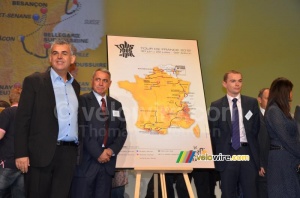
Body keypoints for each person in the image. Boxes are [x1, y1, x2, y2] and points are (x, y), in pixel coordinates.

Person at [14, 38, 81, 198]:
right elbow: (22, 120)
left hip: (68, 155)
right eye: (55, 53)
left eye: (64, 53)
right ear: (50, 58)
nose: (59, 57)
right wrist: (21, 153)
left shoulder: (75, 86)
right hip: (40, 155)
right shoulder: (34, 82)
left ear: (72, 59)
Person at [71, 68, 127, 198]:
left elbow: (122, 131)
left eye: (105, 80)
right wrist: (98, 153)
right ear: (92, 81)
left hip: (107, 165)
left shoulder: (116, 105)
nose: (101, 83)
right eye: (98, 79)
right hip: (86, 165)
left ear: (109, 84)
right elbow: (81, 129)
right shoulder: (82, 101)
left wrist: (111, 151)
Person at [208, 70, 260, 198]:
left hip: (247, 153)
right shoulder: (216, 105)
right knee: (228, 193)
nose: (237, 84)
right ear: (224, 84)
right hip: (227, 154)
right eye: (233, 81)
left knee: (251, 193)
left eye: (240, 81)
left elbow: (257, 129)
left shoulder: (251, 103)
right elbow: (213, 134)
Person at [264, 77, 300, 197]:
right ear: (284, 92)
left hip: (288, 158)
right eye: (290, 90)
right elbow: (286, 138)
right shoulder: (273, 111)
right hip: (280, 160)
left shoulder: (282, 110)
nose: (292, 93)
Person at [0, 87, 25, 198]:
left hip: (7, 161)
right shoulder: (27, 115)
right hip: (23, 163)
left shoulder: (7, 112)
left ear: (11, 98)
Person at [257, 88, 270, 198]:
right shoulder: (253, 118)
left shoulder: (278, 117)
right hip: (262, 166)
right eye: (267, 99)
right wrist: (259, 163)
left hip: (277, 164)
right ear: (259, 100)